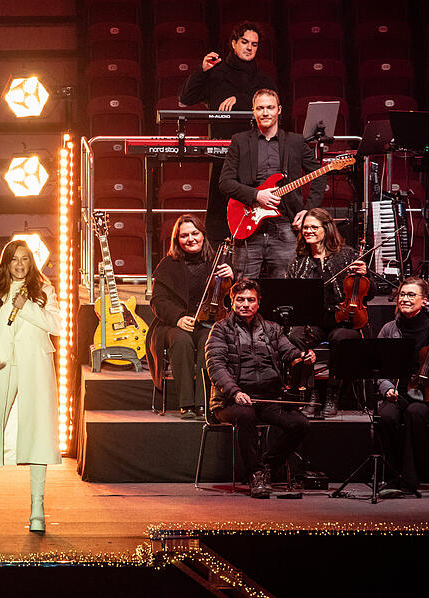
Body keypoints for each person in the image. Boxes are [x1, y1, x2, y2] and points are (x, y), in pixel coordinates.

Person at [0, 240, 62, 533]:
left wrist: (28, 305)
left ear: (32, 263)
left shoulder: (45, 292)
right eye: (14, 260)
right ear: (6, 264)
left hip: (36, 367)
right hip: (2, 367)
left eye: (25, 260)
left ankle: (37, 509)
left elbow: (57, 326)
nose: (20, 265)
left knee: (38, 435)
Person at [206, 279, 315, 498]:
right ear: (232, 301)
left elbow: (289, 352)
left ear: (258, 303)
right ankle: (255, 473)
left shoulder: (272, 329)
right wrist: (235, 392)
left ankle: (265, 467)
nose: (245, 304)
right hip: (229, 401)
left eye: (250, 300)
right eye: (240, 300)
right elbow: (215, 365)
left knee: (300, 424)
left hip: (268, 398)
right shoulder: (220, 330)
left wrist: (303, 357)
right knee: (246, 415)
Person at [180, 22, 277, 246]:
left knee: (254, 214)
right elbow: (185, 98)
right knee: (219, 214)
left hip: (255, 156)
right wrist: (202, 71)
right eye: (244, 43)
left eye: (254, 44)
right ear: (234, 44)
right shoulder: (216, 74)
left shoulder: (263, 80)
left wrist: (242, 101)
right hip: (223, 153)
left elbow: (276, 107)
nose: (249, 48)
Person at [219, 89, 326, 279]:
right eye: (260, 108)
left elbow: (318, 175)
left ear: (279, 110)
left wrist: (308, 210)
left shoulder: (295, 141)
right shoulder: (240, 141)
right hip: (248, 224)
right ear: (253, 111)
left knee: (285, 287)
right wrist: (256, 195)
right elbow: (225, 183)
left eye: (270, 107)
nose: (265, 112)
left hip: (284, 225)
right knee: (244, 287)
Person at [285, 208, 373, 417]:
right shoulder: (299, 261)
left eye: (314, 227)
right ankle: (312, 393)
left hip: (343, 319)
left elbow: (369, 293)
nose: (308, 231)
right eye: (305, 228)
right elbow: (292, 297)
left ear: (327, 229)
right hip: (313, 320)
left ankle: (333, 393)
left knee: (342, 338)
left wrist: (365, 274)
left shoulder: (346, 255)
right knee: (296, 336)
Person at [148, 215, 233, 419]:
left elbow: (237, 298)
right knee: (181, 341)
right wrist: (178, 318)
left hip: (209, 323)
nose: (190, 239)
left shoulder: (218, 262)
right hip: (174, 324)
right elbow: (157, 301)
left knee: (209, 341)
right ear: (177, 240)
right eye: (184, 235)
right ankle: (186, 404)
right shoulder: (168, 264)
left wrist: (233, 277)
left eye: (195, 233)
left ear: (203, 235)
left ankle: (203, 403)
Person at [375, 277, 429, 498]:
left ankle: (410, 478)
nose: (405, 299)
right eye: (403, 294)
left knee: (415, 413)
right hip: (399, 391)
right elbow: (378, 368)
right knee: (386, 417)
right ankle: (392, 475)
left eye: (411, 295)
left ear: (424, 301)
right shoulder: (389, 329)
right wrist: (386, 389)